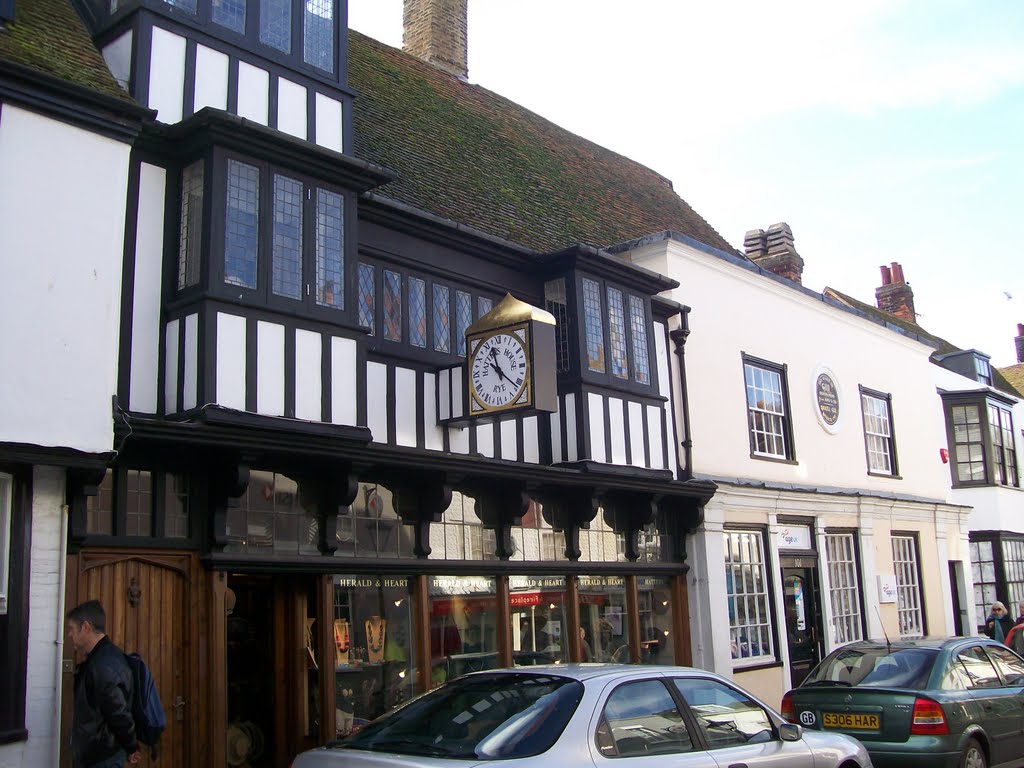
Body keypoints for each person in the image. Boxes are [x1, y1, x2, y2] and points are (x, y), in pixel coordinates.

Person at [66, 600, 141, 767]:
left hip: (102, 759)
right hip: (98, 755)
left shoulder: (103, 663)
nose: (69, 635)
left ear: (85, 627)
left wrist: (131, 746)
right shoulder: (100, 659)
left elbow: (118, 713)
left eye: (71, 628)